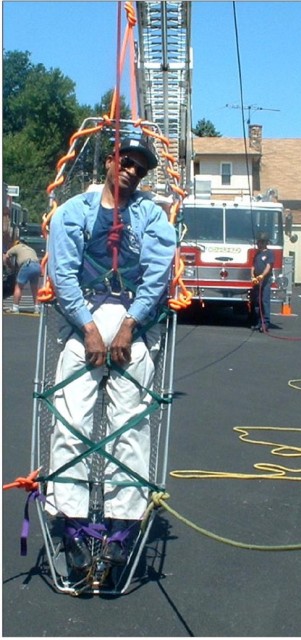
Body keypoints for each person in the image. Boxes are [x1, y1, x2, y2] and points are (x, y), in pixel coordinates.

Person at [45, 136, 177, 569]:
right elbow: (63, 274)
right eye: (127, 160)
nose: (132, 170)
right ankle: (73, 520)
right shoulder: (72, 214)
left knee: (130, 423)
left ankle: (123, 522)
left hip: (131, 323)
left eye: (140, 167)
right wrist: (88, 330)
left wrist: (128, 325)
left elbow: (158, 276)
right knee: (71, 418)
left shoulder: (152, 218)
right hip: (82, 318)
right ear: (110, 160)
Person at [3, 240, 41, 313]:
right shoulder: (31, 249)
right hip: (37, 266)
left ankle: (15, 308)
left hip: (27, 264)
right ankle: (37, 308)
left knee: (19, 286)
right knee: (34, 288)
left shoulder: (17, 247)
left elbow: (6, 257)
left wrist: (10, 266)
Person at [250, 232, 274, 332]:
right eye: (258, 242)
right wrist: (252, 276)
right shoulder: (257, 254)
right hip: (257, 282)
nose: (258, 244)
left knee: (264, 301)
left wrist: (262, 276)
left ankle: (266, 323)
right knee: (257, 302)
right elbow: (253, 266)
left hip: (265, 282)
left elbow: (268, 266)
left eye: (260, 242)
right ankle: (259, 322)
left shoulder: (269, 253)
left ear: (265, 243)